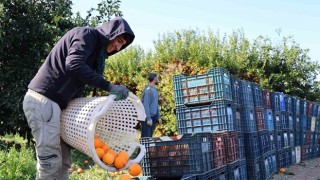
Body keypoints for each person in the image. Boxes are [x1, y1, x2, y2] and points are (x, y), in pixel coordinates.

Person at [22, 17, 134, 180]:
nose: (118, 46)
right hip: (43, 100)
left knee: (64, 162)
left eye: (122, 45)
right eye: (118, 40)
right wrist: (108, 86)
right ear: (111, 33)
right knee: (51, 162)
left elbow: (75, 85)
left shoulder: (96, 53)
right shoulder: (87, 34)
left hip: (57, 105)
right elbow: (73, 63)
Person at [141, 73, 162, 137]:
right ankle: (141, 147)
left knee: (150, 138)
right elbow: (145, 105)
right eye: (157, 78)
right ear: (154, 79)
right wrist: (148, 118)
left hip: (153, 117)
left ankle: (146, 147)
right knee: (145, 139)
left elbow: (156, 104)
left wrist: (158, 117)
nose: (158, 79)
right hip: (147, 118)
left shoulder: (154, 90)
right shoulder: (148, 90)